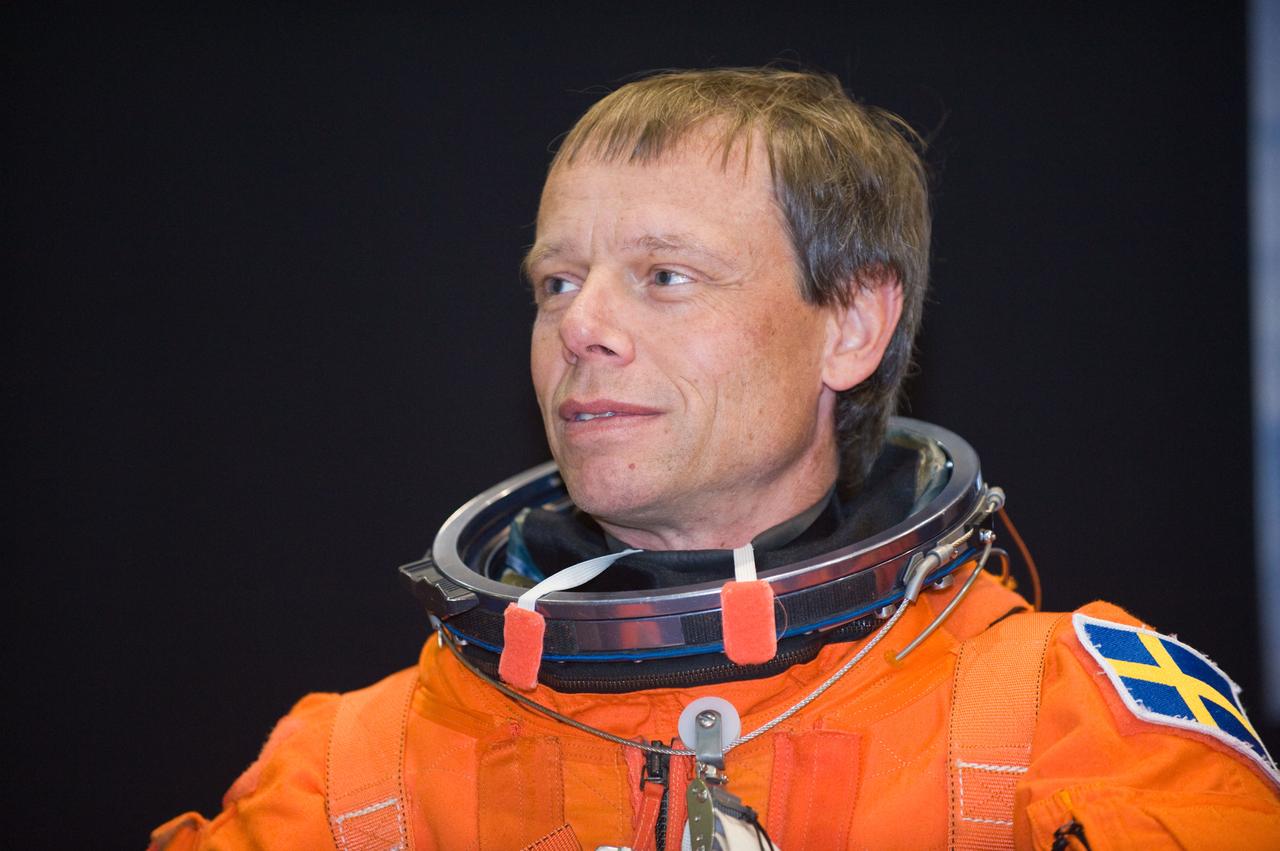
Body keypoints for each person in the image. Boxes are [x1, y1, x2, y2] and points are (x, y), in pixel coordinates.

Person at [151, 67, 1280, 851]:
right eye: (556, 282)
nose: (578, 326)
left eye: (663, 275)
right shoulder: (352, 774)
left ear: (849, 324)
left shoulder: (1073, 729)